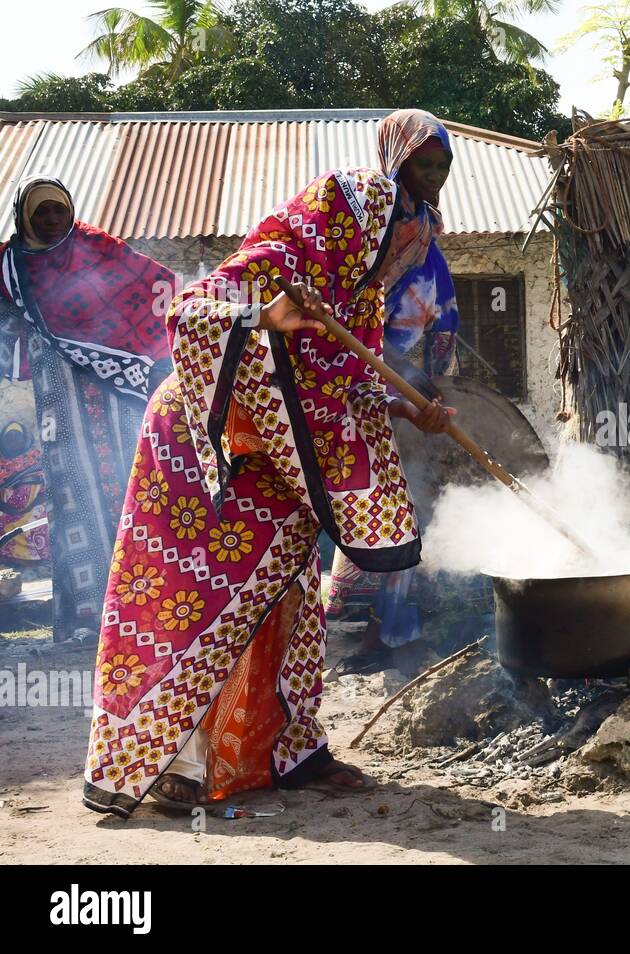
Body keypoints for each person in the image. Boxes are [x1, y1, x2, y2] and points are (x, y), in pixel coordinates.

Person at [83, 167, 453, 817]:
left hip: (282, 463)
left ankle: (290, 750)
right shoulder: (279, 259)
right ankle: (177, 766)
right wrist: (263, 315)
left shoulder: (357, 295)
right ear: (357, 231)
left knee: (289, 603)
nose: (398, 263)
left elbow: (345, 387)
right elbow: (188, 313)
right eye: (396, 245)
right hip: (206, 455)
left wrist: (408, 407)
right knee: (195, 605)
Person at [0, 177, 174, 639]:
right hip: (56, 392)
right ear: (25, 217)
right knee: (70, 494)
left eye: (59, 210)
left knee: (127, 488)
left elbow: (159, 283)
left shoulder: (98, 247)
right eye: (42, 213)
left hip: (117, 394)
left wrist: (154, 355)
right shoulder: (11, 263)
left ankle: (140, 608)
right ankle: (85, 615)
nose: (53, 220)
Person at [324, 109, 461, 675]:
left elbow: (443, 314)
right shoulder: (366, 226)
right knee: (368, 500)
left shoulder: (427, 234)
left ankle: (395, 628)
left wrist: (428, 384)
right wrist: (383, 378)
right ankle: (365, 630)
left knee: (411, 503)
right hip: (358, 383)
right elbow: (344, 307)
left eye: (442, 165)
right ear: (395, 161)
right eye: (422, 164)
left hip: (410, 389)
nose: (434, 175)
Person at [0, 422, 50, 564]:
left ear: (25, 439)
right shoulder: (1, 464)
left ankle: (34, 560)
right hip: (6, 509)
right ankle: (8, 558)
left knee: (39, 521)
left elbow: (44, 490)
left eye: (17, 436)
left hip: (34, 507)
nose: (13, 441)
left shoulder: (36, 460)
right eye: (9, 437)